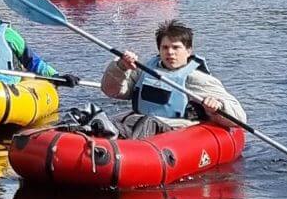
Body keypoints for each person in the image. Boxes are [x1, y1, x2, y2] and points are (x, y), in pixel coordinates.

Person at [100, 19, 246, 139]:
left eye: (176, 47)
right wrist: (120, 67)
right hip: (138, 123)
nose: (170, 53)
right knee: (101, 119)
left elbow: (239, 117)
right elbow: (111, 91)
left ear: (188, 51)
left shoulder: (197, 79)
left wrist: (218, 107)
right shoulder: (145, 69)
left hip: (173, 129)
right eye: (165, 47)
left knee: (147, 123)